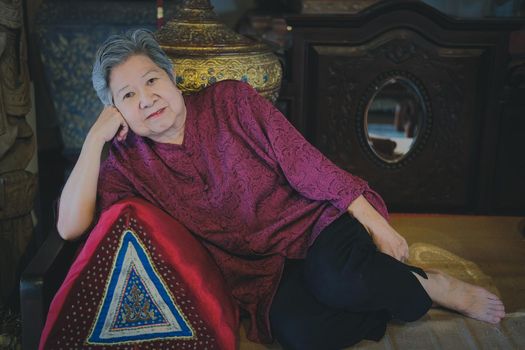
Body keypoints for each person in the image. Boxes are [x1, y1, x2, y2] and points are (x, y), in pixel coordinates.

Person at [57, 29, 505, 350]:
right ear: (114, 111)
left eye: (152, 80)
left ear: (172, 79)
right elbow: (69, 229)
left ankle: (434, 287)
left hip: (313, 226)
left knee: (340, 282)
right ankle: (398, 286)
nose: (147, 98)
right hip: (258, 271)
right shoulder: (126, 162)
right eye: (128, 95)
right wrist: (94, 139)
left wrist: (374, 222)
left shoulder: (230, 101)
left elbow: (304, 161)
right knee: (304, 335)